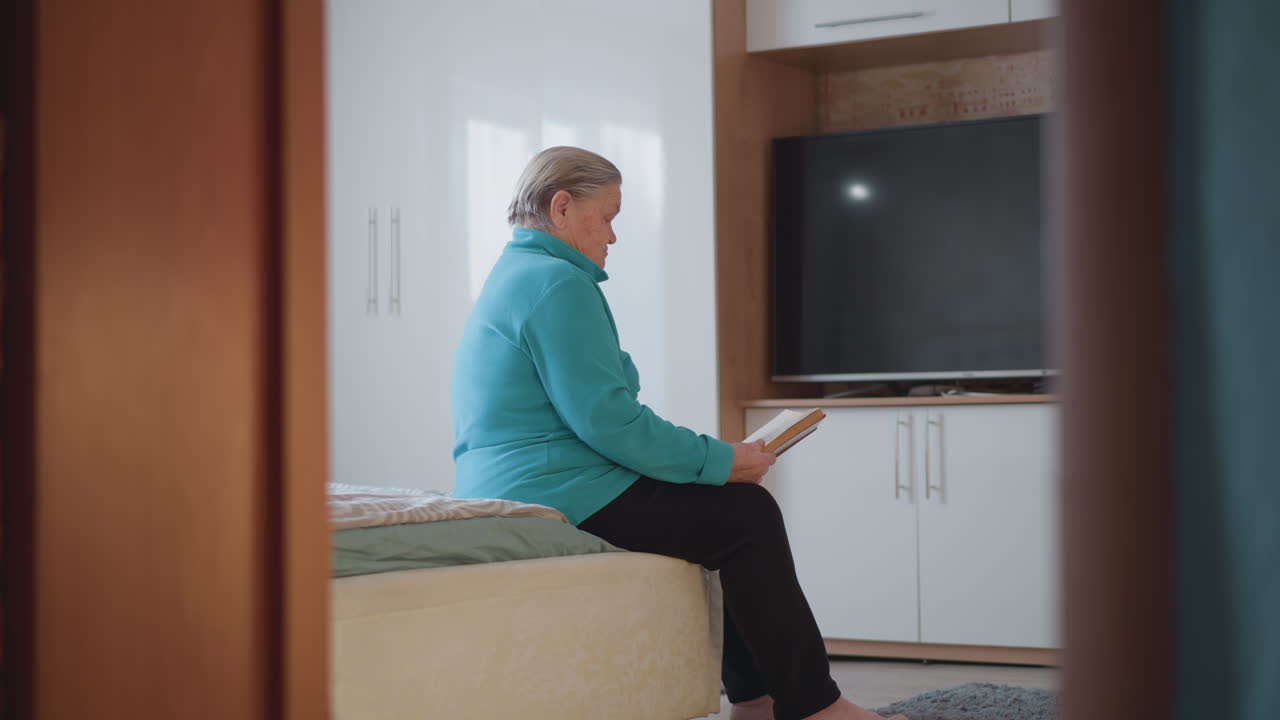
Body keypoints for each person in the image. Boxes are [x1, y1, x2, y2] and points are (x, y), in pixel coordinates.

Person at [452, 146, 906, 720]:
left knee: (726, 512)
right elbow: (611, 423)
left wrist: (715, 466)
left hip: (531, 479)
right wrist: (721, 461)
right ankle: (813, 706)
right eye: (609, 216)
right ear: (561, 206)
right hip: (554, 490)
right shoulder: (555, 284)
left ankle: (756, 700)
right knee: (747, 515)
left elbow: (599, 416)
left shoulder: (517, 274)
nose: (613, 237)